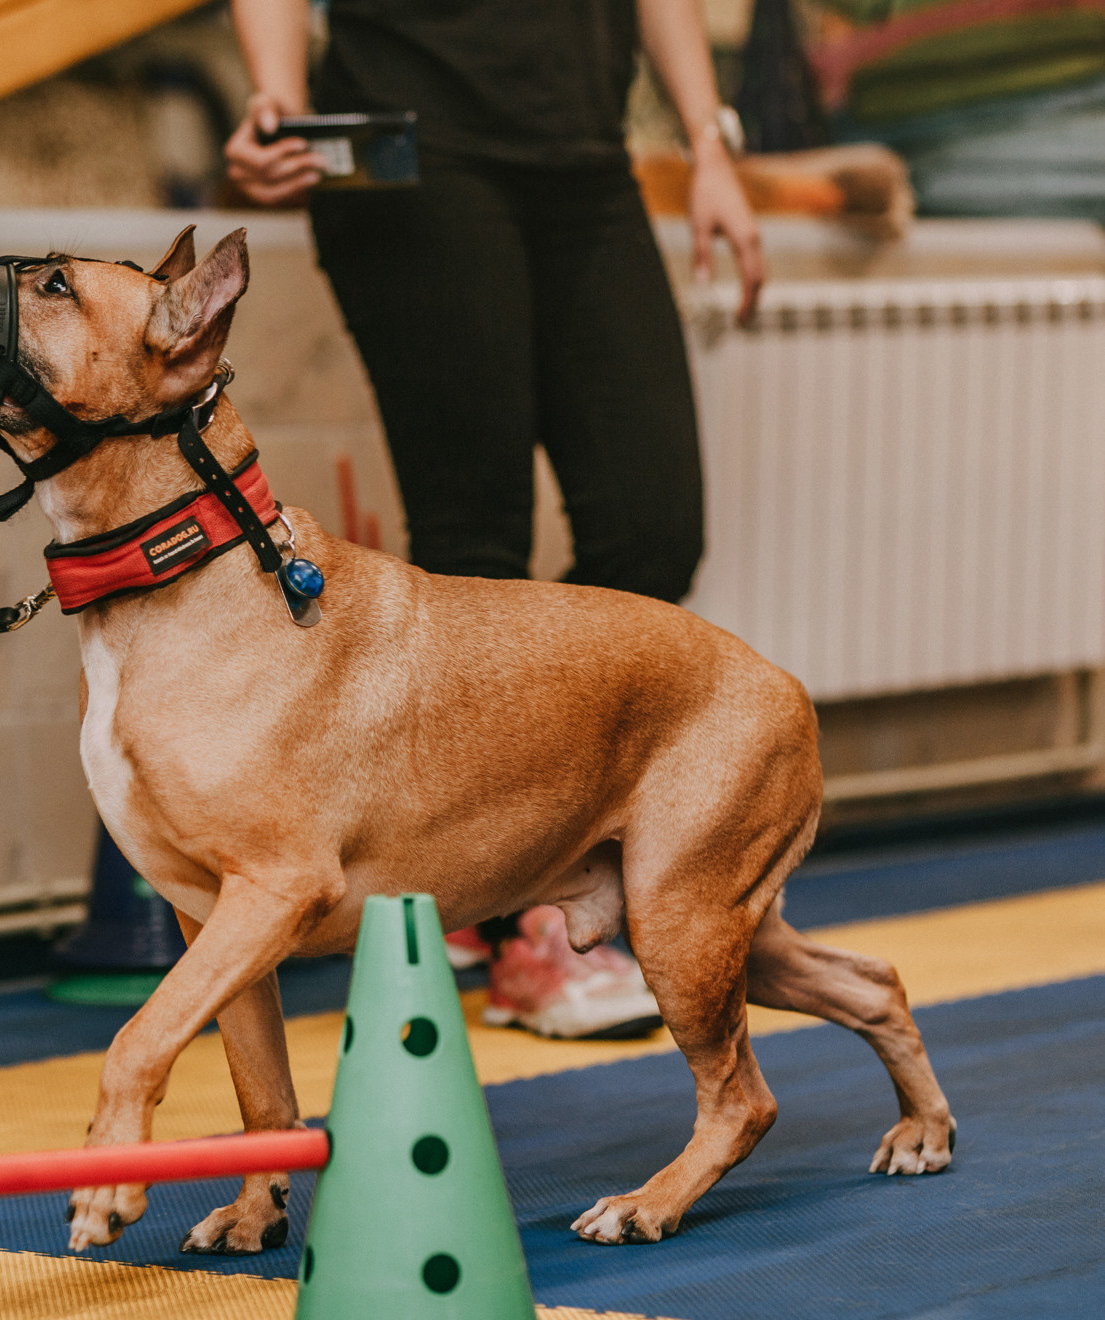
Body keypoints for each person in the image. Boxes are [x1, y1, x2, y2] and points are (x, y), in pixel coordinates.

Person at [226, 0, 765, 1039]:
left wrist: (708, 142)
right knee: (474, 540)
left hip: (585, 160)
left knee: (653, 531)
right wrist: (279, 100)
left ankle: (530, 882)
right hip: (406, 149)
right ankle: (525, 926)